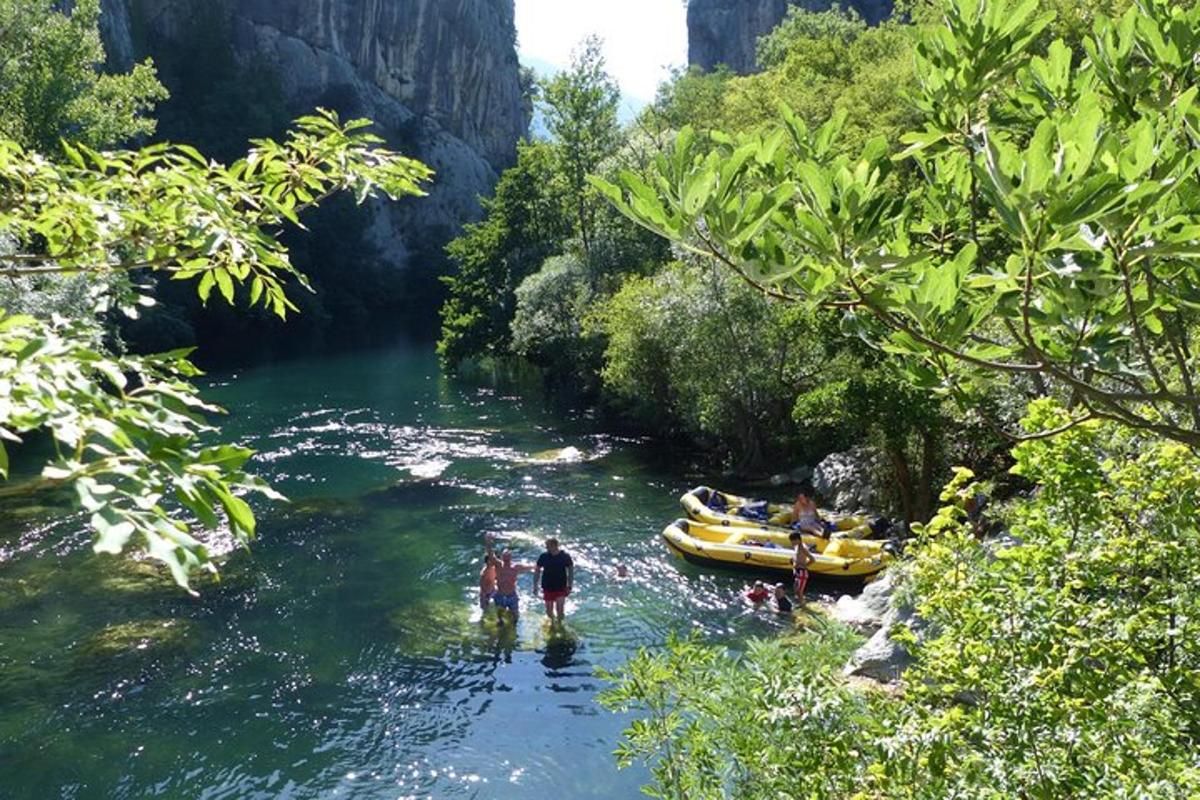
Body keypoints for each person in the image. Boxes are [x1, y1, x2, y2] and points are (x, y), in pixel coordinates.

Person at [532, 537, 574, 622]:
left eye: (548, 546)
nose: (546, 548)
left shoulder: (565, 556)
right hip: (547, 586)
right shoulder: (544, 556)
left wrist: (570, 585)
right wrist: (535, 585)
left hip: (561, 586)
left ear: (555, 546)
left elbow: (571, 571)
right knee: (549, 611)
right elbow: (537, 570)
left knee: (560, 610)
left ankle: (560, 625)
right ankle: (552, 625)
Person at [493, 547, 535, 626]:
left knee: (515, 616)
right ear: (502, 557)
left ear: (510, 557)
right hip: (500, 594)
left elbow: (530, 567)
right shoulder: (498, 565)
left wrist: (539, 566)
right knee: (500, 616)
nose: (506, 558)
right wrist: (488, 543)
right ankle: (501, 624)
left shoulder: (515, 567)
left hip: (511, 595)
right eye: (504, 556)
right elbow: (491, 556)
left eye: (508, 556)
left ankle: (514, 625)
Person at [789, 531, 815, 604]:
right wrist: (793, 560)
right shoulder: (796, 547)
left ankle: (803, 605)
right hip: (797, 571)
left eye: (793, 541)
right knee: (795, 589)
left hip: (802, 572)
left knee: (799, 591)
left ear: (797, 540)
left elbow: (812, 559)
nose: (792, 543)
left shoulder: (803, 548)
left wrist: (804, 565)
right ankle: (799, 603)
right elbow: (797, 556)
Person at [479, 534, 498, 612]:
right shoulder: (485, 571)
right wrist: (484, 599)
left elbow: (488, 554)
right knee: (485, 612)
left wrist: (488, 543)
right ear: (488, 562)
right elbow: (482, 588)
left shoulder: (493, 567)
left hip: (493, 590)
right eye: (492, 560)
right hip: (486, 594)